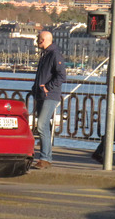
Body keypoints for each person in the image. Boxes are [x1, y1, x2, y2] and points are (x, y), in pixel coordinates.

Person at [31, 31, 66, 169]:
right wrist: (35, 89)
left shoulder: (54, 54)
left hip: (50, 95)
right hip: (41, 95)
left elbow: (61, 75)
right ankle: (46, 158)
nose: (36, 41)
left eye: (38, 39)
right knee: (44, 126)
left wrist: (47, 87)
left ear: (43, 40)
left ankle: (45, 158)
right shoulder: (45, 54)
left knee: (41, 124)